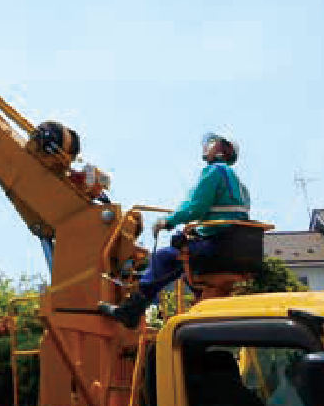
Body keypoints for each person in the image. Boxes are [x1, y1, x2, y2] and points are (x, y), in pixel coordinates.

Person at [99, 132, 251, 328]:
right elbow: (227, 217)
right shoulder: (239, 184)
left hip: (217, 247)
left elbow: (195, 207)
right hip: (232, 247)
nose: (207, 146)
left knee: (164, 258)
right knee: (184, 258)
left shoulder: (214, 171)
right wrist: (197, 232)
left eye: (212, 143)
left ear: (222, 149)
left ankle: (131, 311)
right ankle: (199, 305)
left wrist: (167, 221)